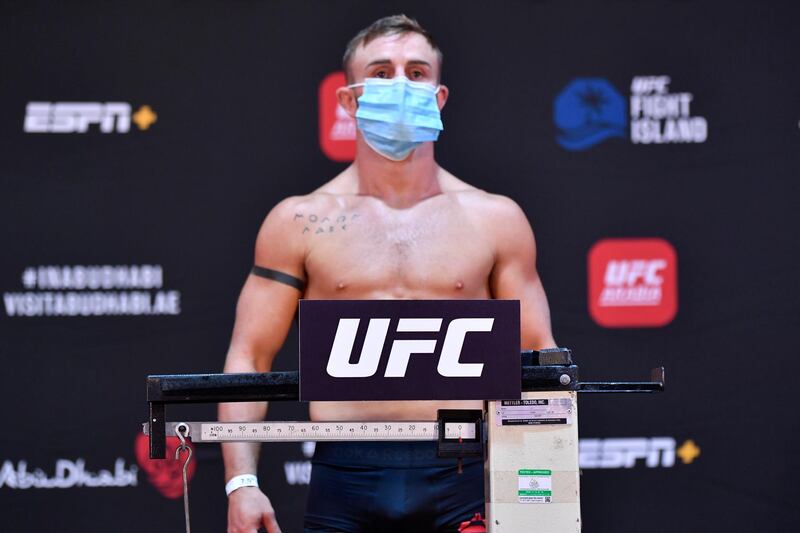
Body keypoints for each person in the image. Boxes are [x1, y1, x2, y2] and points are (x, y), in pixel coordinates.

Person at [219, 14, 556, 533]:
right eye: (380, 72)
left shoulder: (497, 220)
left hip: (462, 469)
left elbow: (537, 365)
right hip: (343, 472)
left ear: (440, 97)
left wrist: (538, 493)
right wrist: (241, 483)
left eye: (416, 73)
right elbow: (251, 356)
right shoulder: (299, 221)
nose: (400, 84)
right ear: (348, 100)